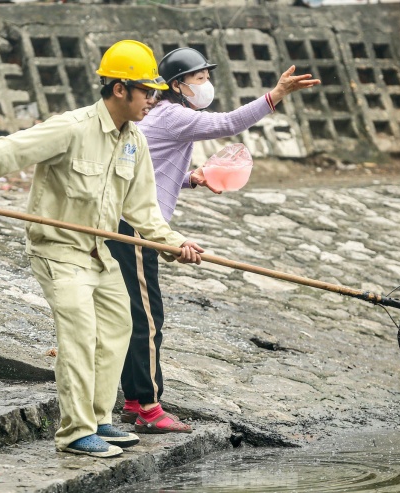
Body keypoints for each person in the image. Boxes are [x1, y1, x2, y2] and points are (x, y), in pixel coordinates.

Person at [0, 40, 204, 458]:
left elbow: (143, 211)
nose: (154, 98)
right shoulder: (72, 127)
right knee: (79, 330)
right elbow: (9, 150)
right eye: (146, 90)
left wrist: (175, 244)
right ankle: (75, 433)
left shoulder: (135, 142)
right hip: (58, 250)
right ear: (119, 89)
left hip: (99, 252)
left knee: (118, 327)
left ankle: (99, 420)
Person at [107, 47, 320, 434]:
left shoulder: (158, 113)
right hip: (135, 226)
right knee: (148, 319)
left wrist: (190, 178)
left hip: (129, 221)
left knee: (133, 314)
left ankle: (136, 399)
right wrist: (276, 95)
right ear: (178, 85)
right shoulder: (174, 115)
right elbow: (229, 123)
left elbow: (151, 169)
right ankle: (150, 409)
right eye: (200, 79)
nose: (207, 85)